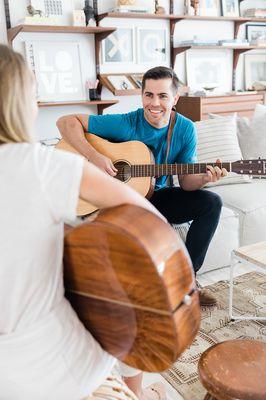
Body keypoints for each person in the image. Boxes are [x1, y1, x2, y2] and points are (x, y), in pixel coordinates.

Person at [0, 45, 167, 400]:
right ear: (18, 102)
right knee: (118, 302)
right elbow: (146, 215)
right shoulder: (39, 164)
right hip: (57, 373)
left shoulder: (182, 130)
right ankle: (139, 394)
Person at [57, 66, 228, 307]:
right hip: (119, 200)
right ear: (142, 96)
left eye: (163, 96)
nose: (154, 103)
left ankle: (186, 280)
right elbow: (65, 122)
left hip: (154, 197)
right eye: (149, 95)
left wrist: (204, 179)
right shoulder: (126, 123)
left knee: (211, 202)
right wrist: (94, 156)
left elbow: (187, 184)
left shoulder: (185, 129)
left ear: (175, 98)